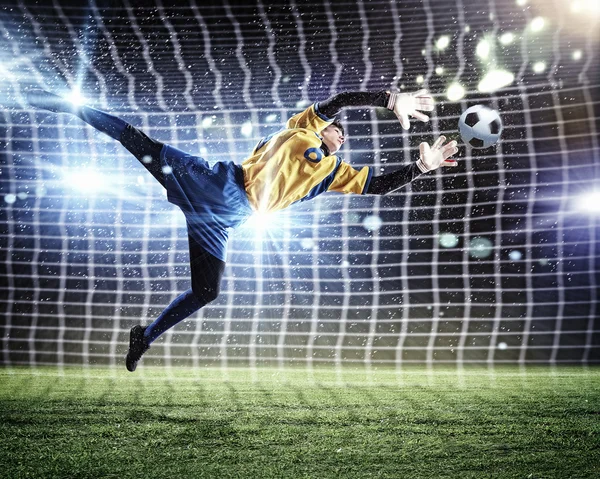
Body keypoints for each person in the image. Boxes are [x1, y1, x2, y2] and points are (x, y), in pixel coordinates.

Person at [26, 88, 458, 371]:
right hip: (217, 182)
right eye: (337, 128)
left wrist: (423, 166)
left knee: (207, 292)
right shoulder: (301, 126)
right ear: (323, 126)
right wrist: (388, 99)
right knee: (137, 142)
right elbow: (340, 99)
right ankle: (64, 103)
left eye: (344, 136)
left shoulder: (334, 173)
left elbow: (378, 185)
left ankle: (145, 336)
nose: (341, 135)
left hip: (228, 219)